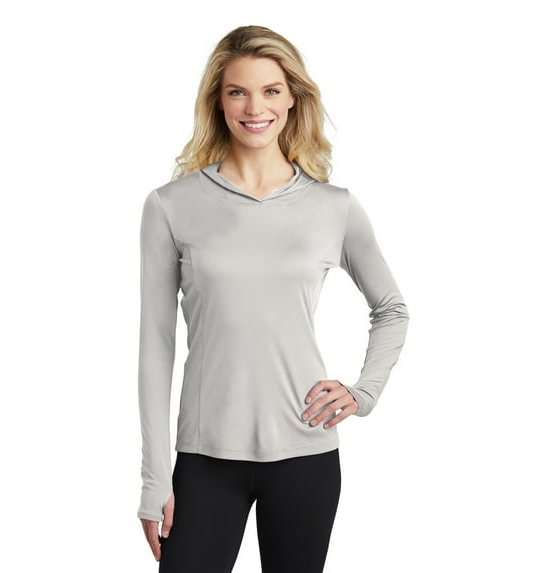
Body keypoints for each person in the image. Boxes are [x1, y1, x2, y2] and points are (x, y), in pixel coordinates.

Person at [137, 25, 410, 573]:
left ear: (292, 99)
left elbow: (392, 309)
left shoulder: (333, 207)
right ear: (218, 101)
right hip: (205, 459)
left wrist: (363, 393)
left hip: (307, 453)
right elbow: (156, 346)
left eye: (270, 91)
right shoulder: (171, 205)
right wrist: (154, 476)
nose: (254, 107)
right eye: (237, 91)